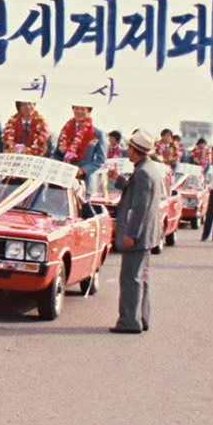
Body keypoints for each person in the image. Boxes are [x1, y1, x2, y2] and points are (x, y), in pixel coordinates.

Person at [110, 129, 163, 334]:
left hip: (139, 235)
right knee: (140, 278)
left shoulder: (142, 173)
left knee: (130, 279)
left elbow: (140, 207)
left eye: (129, 148)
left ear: (135, 150)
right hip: (147, 235)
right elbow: (133, 189)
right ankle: (141, 318)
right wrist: (117, 178)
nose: (127, 151)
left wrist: (131, 234)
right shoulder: (146, 169)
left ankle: (129, 322)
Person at [56, 104, 104, 193]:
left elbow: (101, 160)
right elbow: (57, 154)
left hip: (84, 182)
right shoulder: (65, 131)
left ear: (89, 111)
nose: (78, 112)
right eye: (76, 108)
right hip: (63, 181)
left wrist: (83, 170)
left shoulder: (97, 133)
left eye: (82, 109)